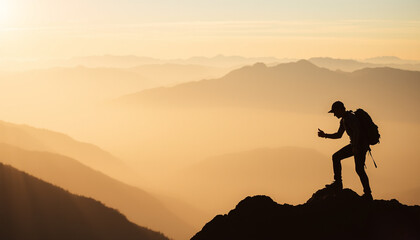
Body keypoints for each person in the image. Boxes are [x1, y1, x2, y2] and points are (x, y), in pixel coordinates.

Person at [318, 101, 373, 200]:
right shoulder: (344, 120)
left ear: (340, 109)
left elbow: (357, 131)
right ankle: (338, 184)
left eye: (335, 112)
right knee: (337, 157)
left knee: (359, 169)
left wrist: (355, 146)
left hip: (360, 146)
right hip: (356, 145)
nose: (334, 115)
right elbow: (339, 135)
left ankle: (368, 194)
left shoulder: (350, 118)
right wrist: (325, 135)